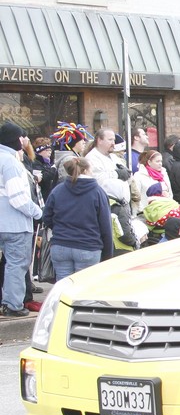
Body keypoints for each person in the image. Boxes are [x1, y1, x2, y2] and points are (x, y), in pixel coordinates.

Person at [41, 157, 113, 282]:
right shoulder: (98, 192)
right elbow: (105, 226)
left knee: (63, 287)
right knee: (84, 288)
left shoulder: (58, 190)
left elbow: (46, 217)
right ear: (85, 170)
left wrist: (59, 228)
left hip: (60, 244)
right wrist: (108, 254)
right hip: (88, 245)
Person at [0, 122, 43, 317]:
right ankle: (12, 305)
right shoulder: (10, 162)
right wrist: (37, 212)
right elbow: (18, 197)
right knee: (16, 265)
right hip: (14, 224)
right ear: (15, 140)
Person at [101, 179, 141, 256]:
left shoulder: (101, 204)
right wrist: (134, 242)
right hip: (121, 249)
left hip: (106, 248)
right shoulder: (118, 208)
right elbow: (124, 233)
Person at [32, 137, 58, 203]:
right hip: (41, 197)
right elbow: (44, 177)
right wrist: (53, 168)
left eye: (50, 150)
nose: (50, 152)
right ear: (39, 151)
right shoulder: (35, 162)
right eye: (47, 150)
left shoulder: (48, 162)